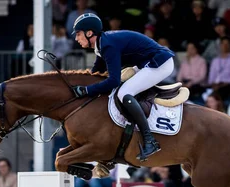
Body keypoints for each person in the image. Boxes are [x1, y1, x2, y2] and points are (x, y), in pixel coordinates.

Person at [70, 13, 175, 161]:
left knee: (124, 93)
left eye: (78, 34)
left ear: (89, 33)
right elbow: (96, 72)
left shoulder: (107, 45)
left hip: (159, 63)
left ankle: (150, 140)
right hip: (146, 63)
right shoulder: (101, 44)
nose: (76, 38)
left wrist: (87, 90)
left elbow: (113, 80)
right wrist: (80, 85)